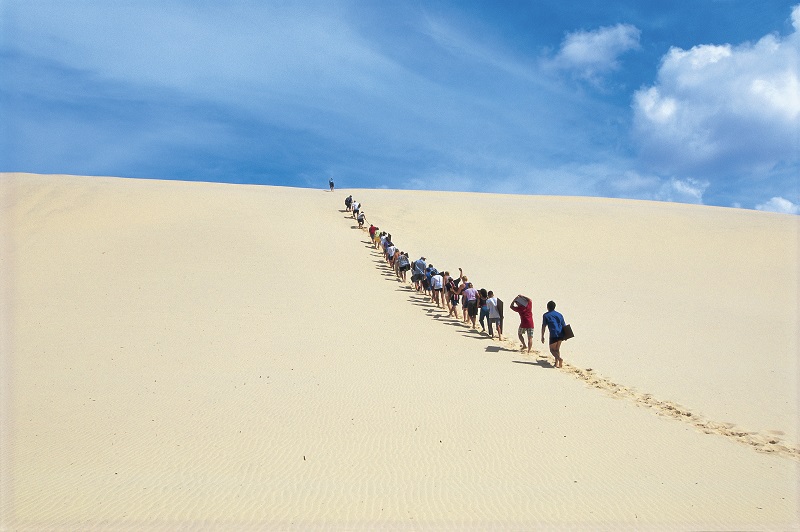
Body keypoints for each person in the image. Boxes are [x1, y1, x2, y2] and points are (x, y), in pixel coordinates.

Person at [541, 300, 567, 368]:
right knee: (557, 349)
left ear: (547, 307)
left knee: (552, 350)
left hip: (553, 334)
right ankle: (556, 363)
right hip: (561, 333)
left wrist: (542, 336)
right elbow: (564, 325)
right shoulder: (559, 314)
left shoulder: (546, 315)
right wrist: (566, 335)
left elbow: (544, 326)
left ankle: (559, 359)